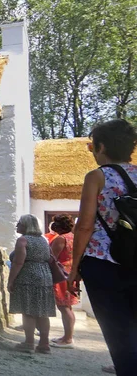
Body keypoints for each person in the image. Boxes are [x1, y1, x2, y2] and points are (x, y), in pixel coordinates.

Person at [69, 119, 137, 376]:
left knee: (120, 337)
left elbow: (85, 227)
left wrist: (74, 268)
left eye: (92, 147)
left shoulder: (97, 177)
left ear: (102, 146)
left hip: (103, 263)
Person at [8, 214, 56, 354]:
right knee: (42, 311)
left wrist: (11, 280)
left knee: (28, 310)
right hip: (45, 276)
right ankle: (44, 344)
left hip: (28, 276)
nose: (17, 225)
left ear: (26, 225)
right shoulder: (43, 240)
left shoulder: (23, 240)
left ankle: (29, 343)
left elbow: (18, 262)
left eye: (19, 223)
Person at [48, 214, 79, 349]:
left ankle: (68, 339)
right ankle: (67, 336)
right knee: (68, 307)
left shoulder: (61, 239)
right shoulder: (73, 238)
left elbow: (51, 258)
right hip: (70, 274)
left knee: (64, 307)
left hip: (60, 275)